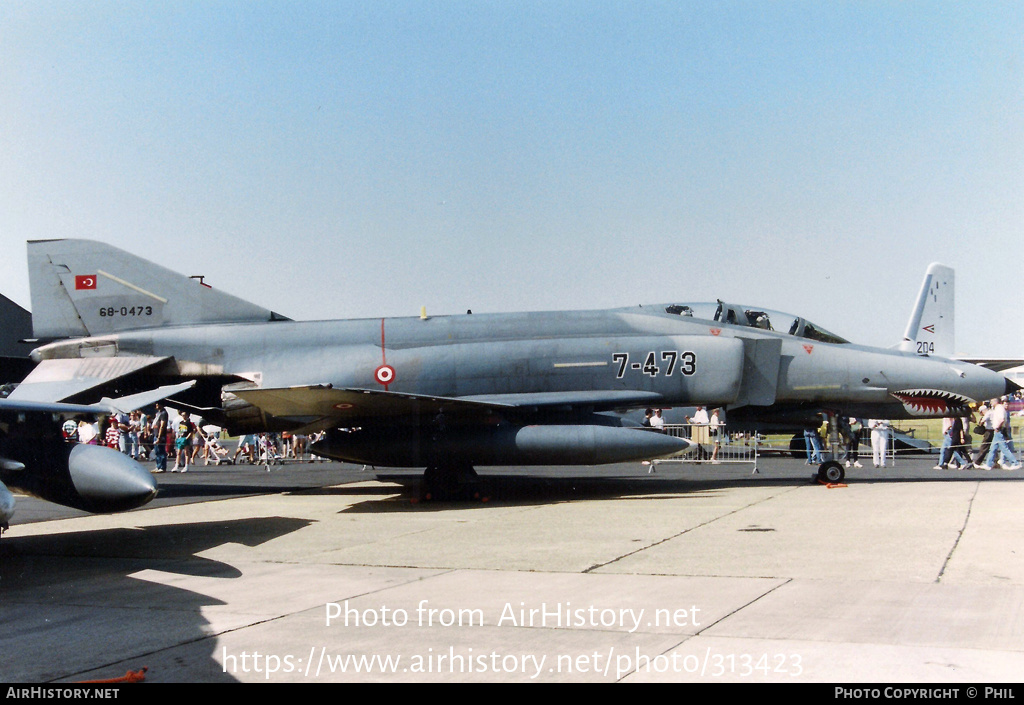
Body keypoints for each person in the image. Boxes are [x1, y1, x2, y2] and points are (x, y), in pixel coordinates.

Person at [984, 398, 1021, 470]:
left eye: (991, 402)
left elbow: (1002, 419)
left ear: (995, 402)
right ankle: (988, 464)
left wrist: (998, 427)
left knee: (1004, 448)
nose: (990, 403)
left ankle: (1015, 463)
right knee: (992, 448)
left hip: (999, 430)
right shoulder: (998, 408)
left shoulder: (999, 409)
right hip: (997, 431)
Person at [973, 402, 996, 470]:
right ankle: (996, 462)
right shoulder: (992, 412)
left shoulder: (988, 413)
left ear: (983, 411)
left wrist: (980, 425)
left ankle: (977, 462)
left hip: (988, 431)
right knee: (993, 446)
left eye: (981, 412)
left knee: (984, 447)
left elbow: (982, 421)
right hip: (993, 431)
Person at [151, 401, 169, 473]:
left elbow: (162, 425)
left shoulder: (164, 413)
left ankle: (162, 467)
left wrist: (159, 436)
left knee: (161, 451)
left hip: (160, 436)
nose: (156, 405)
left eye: (158, 404)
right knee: (157, 451)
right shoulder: (158, 413)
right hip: (156, 434)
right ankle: (158, 466)